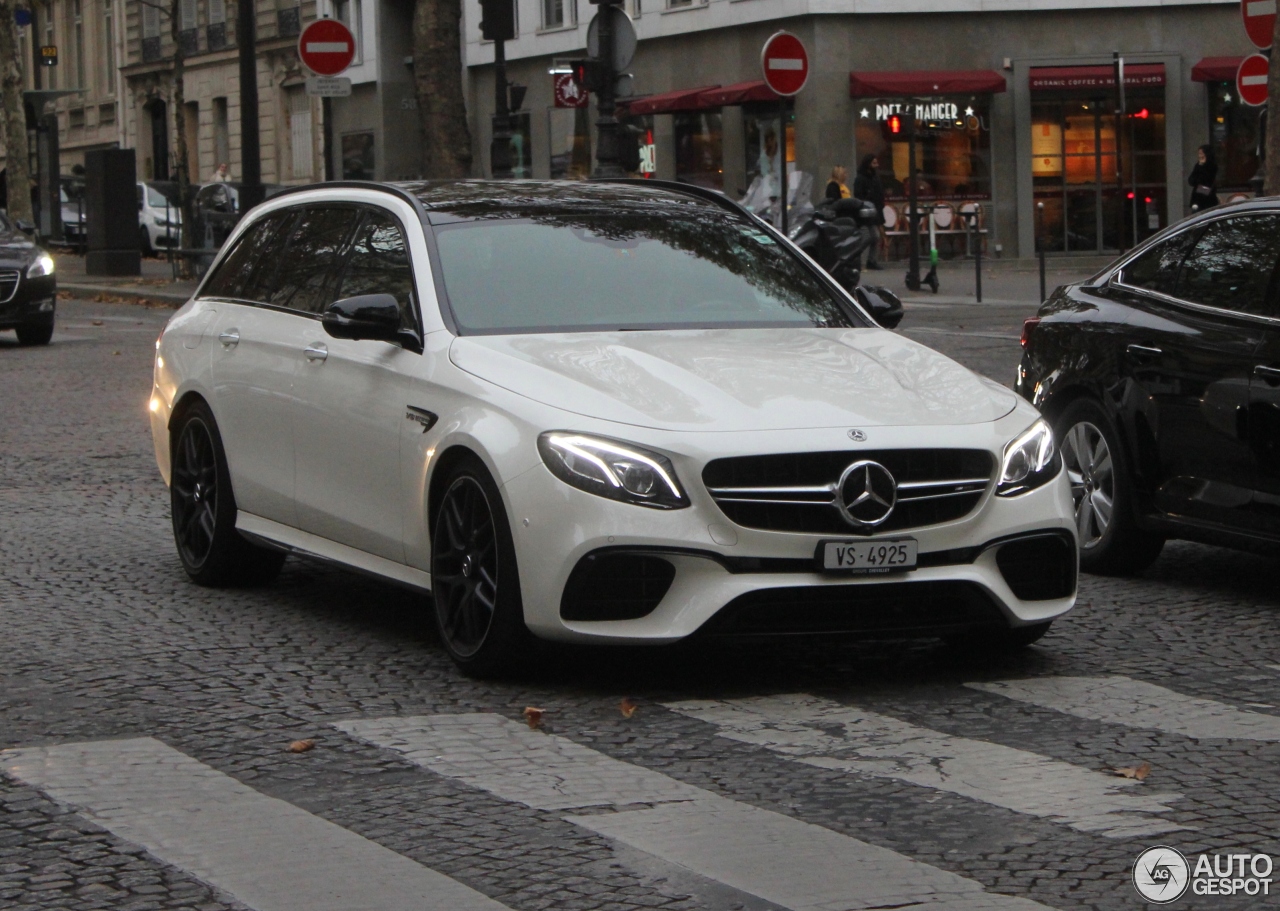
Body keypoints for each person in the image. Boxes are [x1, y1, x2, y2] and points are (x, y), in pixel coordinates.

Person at [852, 154, 886, 270]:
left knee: (875, 236)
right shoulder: (861, 179)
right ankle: (856, 257)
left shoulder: (875, 178)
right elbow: (858, 195)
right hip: (865, 213)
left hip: (874, 211)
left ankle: (871, 260)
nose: (876, 166)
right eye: (874, 163)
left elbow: (880, 194)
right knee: (869, 236)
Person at [1189, 145, 1219, 211]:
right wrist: (1200, 166)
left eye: (1201, 154)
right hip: (1197, 199)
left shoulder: (1212, 166)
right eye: (1199, 154)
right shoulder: (1198, 165)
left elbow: (1205, 180)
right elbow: (1191, 181)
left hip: (1207, 199)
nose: (1199, 156)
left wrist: (1202, 167)